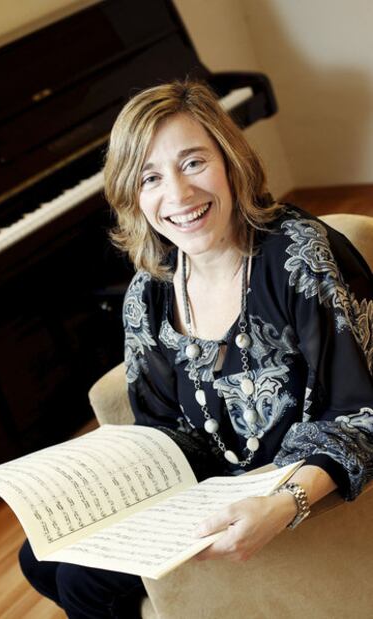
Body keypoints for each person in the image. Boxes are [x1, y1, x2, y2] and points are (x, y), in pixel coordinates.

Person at [19, 80, 373, 618]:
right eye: (151, 177)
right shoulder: (151, 290)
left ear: (230, 162)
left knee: (86, 587)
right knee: (38, 558)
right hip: (203, 490)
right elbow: (161, 429)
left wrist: (285, 503)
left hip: (288, 488)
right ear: (133, 195)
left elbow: (357, 412)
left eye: (193, 163)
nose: (179, 196)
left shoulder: (298, 256)